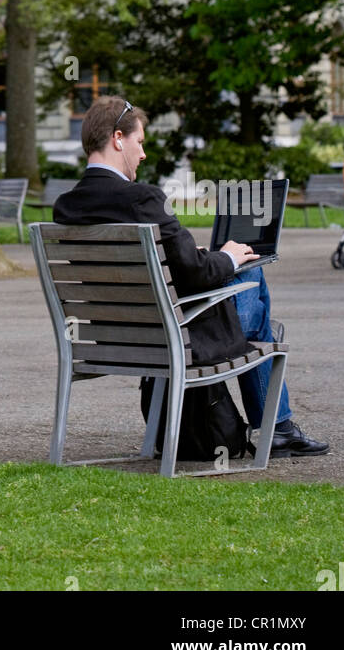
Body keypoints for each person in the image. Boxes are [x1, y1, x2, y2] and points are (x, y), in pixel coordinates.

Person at [53, 96, 328, 458]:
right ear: (118, 138)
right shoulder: (143, 199)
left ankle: (277, 425)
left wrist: (200, 257)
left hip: (117, 337)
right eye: (140, 142)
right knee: (253, 282)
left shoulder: (66, 207)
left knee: (248, 295)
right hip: (175, 336)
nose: (143, 154)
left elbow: (170, 267)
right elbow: (197, 274)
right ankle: (277, 427)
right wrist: (227, 258)